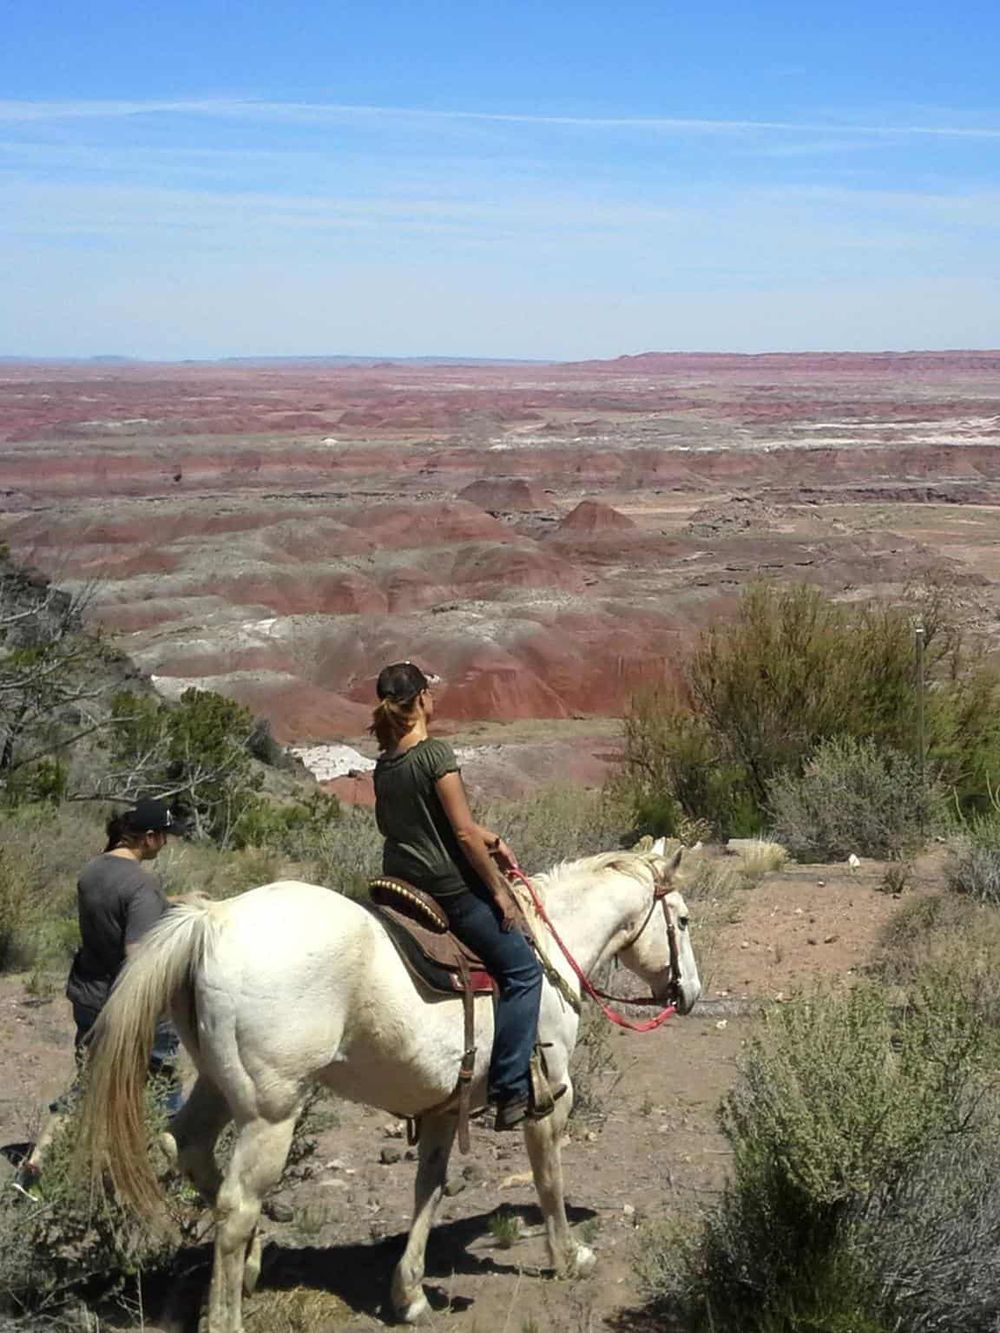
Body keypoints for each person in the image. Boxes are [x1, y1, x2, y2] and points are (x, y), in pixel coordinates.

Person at [371, 661, 552, 1132]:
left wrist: (488, 836)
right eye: (429, 691)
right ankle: (510, 1088)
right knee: (523, 970)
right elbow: (462, 836)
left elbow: (422, 824)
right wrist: (500, 893)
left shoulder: (385, 764)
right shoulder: (434, 755)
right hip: (446, 888)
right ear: (423, 701)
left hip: (403, 883)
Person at [19, 798, 184, 1188]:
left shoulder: (93, 869)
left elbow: (118, 912)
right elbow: (137, 956)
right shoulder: (141, 883)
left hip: (88, 997)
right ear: (149, 837)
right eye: (166, 837)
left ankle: (35, 1167)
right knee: (165, 1091)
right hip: (130, 1006)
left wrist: (177, 903)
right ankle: (189, 1173)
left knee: (89, 1084)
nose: (167, 844)